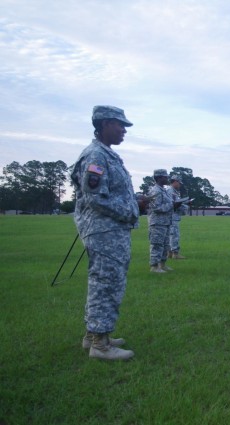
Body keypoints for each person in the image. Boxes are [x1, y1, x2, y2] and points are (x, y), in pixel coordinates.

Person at [70, 105, 140, 360]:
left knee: (101, 281)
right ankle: (101, 345)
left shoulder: (106, 155)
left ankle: (94, 336)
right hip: (104, 231)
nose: (124, 130)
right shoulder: (96, 156)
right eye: (120, 125)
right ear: (104, 124)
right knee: (107, 283)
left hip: (109, 230)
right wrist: (132, 210)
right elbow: (96, 199)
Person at [148, 169, 175, 273]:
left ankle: (162, 265)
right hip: (157, 223)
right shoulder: (155, 191)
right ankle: (154, 267)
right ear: (159, 178)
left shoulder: (163, 190)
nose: (167, 178)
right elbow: (156, 208)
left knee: (165, 244)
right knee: (157, 244)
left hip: (166, 222)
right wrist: (172, 205)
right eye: (165, 177)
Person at [167, 175, 189, 259]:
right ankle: (175, 253)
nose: (180, 185)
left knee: (170, 235)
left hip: (173, 216)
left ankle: (169, 253)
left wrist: (185, 203)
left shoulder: (174, 191)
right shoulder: (170, 191)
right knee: (174, 235)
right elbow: (173, 204)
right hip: (172, 216)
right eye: (179, 183)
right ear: (175, 181)